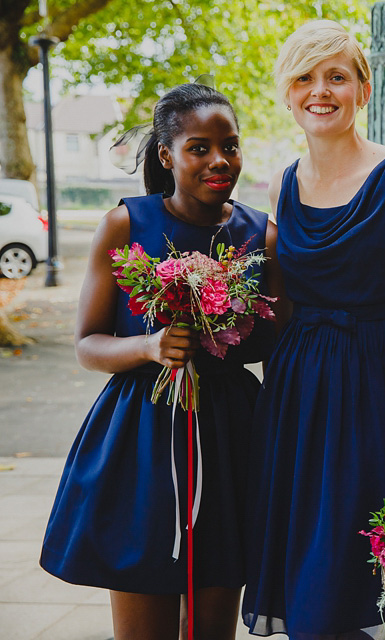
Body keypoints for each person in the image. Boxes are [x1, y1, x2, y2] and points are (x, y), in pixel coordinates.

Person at [241, 20, 385, 639]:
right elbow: (278, 301)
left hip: (377, 392)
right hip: (298, 398)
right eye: (305, 78)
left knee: (362, 577)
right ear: (287, 95)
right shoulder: (281, 184)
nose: (321, 90)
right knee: (307, 576)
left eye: (337, 76)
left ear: (363, 90)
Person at [39, 82, 278, 640]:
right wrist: (150, 346)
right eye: (199, 147)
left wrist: (227, 329)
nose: (220, 160)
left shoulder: (261, 235)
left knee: (213, 621)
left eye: (231, 146)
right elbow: (88, 343)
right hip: (141, 438)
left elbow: (277, 343)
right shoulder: (126, 225)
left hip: (228, 438)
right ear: (168, 155)